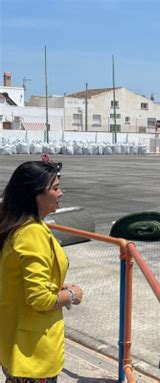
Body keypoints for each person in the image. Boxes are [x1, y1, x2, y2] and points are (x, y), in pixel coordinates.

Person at [0, 158, 83, 382]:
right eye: (55, 188)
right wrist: (72, 295)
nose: (61, 193)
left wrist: (59, 285)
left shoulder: (18, 226)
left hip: (17, 346)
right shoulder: (31, 233)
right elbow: (39, 299)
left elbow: (22, 281)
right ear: (34, 194)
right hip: (32, 354)